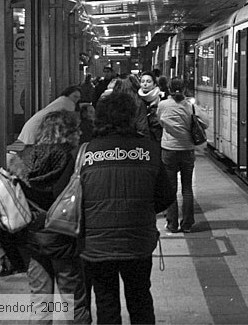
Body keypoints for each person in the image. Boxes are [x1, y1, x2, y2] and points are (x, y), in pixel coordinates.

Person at [80, 90, 174, 324]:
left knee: (106, 301)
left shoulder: (85, 152)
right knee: (140, 298)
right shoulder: (149, 150)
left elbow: (67, 196)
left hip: (96, 244)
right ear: (131, 117)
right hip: (138, 241)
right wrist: (141, 208)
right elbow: (166, 196)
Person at [10, 111, 90, 324]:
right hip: (64, 236)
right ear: (67, 132)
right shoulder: (73, 158)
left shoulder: (24, 156)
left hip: (32, 238)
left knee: (40, 300)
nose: (80, 133)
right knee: (73, 301)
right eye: (76, 129)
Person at [156, 78, 205, 234]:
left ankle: (172, 224)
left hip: (169, 149)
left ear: (169, 89)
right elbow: (205, 123)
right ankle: (187, 224)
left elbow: (160, 121)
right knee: (187, 188)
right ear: (184, 90)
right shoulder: (190, 106)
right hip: (187, 149)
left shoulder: (163, 105)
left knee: (171, 188)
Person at [137, 72, 164, 143]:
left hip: (157, 137)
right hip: (140, 138)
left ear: (154, 84)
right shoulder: (137, 99)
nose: (145, 84)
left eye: (148, 82)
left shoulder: (162, 98)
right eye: (142, 81)